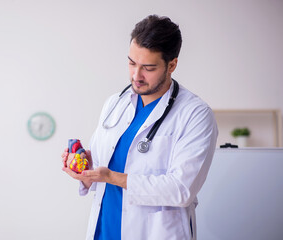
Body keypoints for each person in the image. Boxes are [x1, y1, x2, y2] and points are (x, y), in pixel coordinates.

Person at [62, 15, 218, 240]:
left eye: (148, 68)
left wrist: (112, 177)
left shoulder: (195, 114)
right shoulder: (115, 103)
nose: (136, 76)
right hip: (105, 230)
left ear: (172, 64)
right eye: (132, 63)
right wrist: (84, 167)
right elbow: (101, 170)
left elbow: (181, 189)